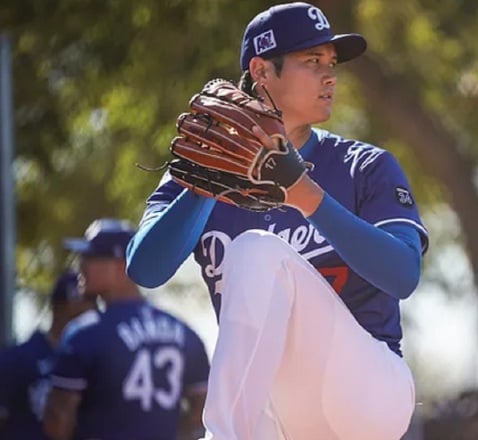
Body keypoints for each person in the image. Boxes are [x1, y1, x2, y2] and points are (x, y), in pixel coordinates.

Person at [126, 2, 429, 439]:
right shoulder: (198, 171)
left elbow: (403, 275)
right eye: (312, 62)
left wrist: (306, 196)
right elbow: (145, 269)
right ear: (262, 71)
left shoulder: (363, 166)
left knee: (255, 249)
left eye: (331, 63)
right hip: (279, 412)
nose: (330, 75)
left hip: (369, 395)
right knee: (255, 264)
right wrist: (204, 187)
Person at [42, 218, 211, 440]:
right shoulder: (184, 333)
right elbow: (204, 411)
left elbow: (58, 421)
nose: (80, 264)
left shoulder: (85, 333)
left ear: (123, 265)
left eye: (91, 257)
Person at [0, 270, 96, 439]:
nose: (88, 315)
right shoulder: (20, 358)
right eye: (79, 309)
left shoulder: (93, 362)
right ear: (57, 309)